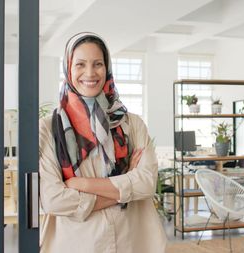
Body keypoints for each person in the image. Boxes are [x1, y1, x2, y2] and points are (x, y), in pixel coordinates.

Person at [39, 32, 167, 253]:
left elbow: (146, 183)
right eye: (80, 64)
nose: (90, 73)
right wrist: (125, 181)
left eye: (98, 64)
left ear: (107, 68)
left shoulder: (132, 124)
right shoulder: (49, 128)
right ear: (68, 69)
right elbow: (54, 199)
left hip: (133, 240)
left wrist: (82, 185)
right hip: (77, 243)